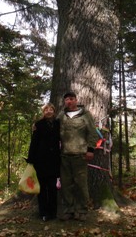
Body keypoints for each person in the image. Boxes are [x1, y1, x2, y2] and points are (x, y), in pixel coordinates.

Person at [57, 91, 98, 221]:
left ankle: (82, 210)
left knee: (81, 184)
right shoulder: (61, 115)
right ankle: (69, 210)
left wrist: (90, 149)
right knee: (66, 184)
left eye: (71, 99)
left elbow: (92, 133)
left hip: (80, 155)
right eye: (66, 100)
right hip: (64, 155)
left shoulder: (85, 115)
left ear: (75, 100)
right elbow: (52, 128)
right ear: (65, 102)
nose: (69, 101)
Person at [26, 103, 61, 221]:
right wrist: (30, 159)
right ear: (43, 112)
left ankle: (53, 212)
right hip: (40, 160)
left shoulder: (58, 124)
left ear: (54, 111)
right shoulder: (38, 125)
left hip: (54, 161)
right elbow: (34, 143)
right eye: (46, 109)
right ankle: (43, 212)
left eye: (51, 109)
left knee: (52, 188)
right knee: (41, 188)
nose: (49, 111)